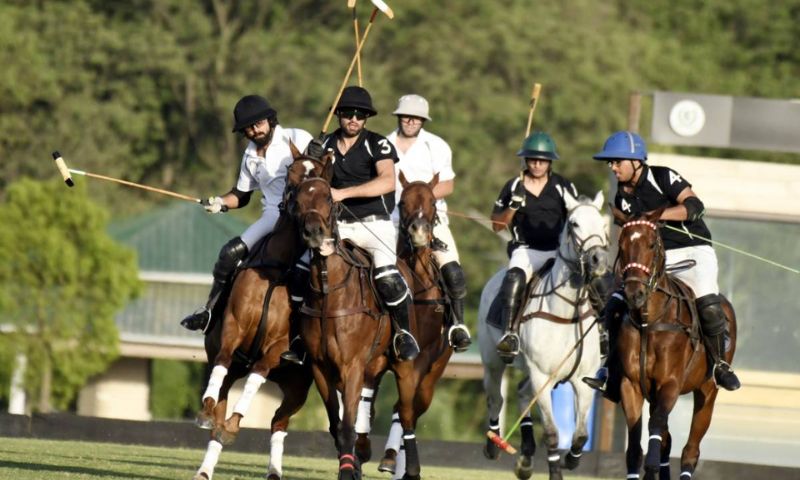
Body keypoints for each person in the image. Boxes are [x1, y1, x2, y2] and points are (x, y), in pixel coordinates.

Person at [582, 130, 740, 396]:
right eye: (610, 163)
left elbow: (694, 205)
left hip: (693, 252)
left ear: (636, 162)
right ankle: (609, 367)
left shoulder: (662, 176)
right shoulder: (622, 197)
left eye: (617, 161)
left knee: (708, 304)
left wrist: (656, 215)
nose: (612, 167)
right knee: (615, 304)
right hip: (654, 259)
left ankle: (719, 365)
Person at [287, 86, 420, 362]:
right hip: (337, 227)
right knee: (300, 272)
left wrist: (342, 193)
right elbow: (306, 178)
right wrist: (308, 158)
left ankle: (404, 334)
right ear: (339, 115)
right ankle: (298, 338)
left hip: (375, 224)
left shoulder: (378, 143)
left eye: (360, 115)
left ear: (366, 118)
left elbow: (387, 181)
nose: (354, 119)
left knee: (388, 279)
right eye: (348, 113)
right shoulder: (325, 145)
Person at [180, 94, 312, 332]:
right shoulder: (250, 155)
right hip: (273, 216)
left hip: (306, 214)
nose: (254, 130)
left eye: (258, 123)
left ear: (270, 120)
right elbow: (241, 195)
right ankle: (210, 312)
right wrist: (220, 202)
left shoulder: (297, 137)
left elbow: (319, 168)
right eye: (248, 128)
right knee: (229, 254)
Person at [385, 94, 472, 352]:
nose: (411, 121)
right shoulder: (384, 144)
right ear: (399, 117)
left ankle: (457, 325)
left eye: (416, 117)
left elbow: (448, 184)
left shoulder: (437, 146)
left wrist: (419, 199)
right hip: (391, 220)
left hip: (432, 221)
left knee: (452, 268)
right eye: (406, 116)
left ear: (423, 120)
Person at [492, 132, 578, 362]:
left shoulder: (563, 186)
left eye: (542, 160)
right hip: (526, 250)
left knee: (590, 277)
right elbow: (497, 226)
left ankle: (600, 332)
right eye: (532, 159)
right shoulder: (513, 185)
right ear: (525, 160)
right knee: (514, 277)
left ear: (550, 161)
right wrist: (513, 206)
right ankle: (509, 333)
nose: (537, 164)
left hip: (557, 251)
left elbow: (576, 217)